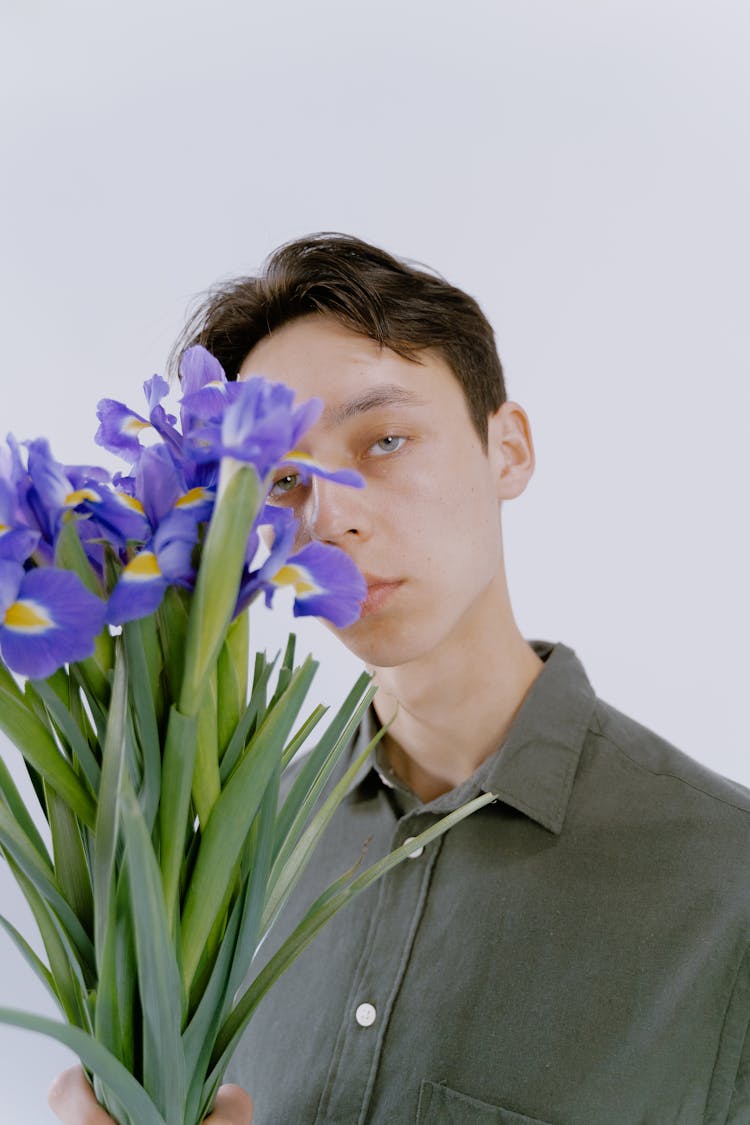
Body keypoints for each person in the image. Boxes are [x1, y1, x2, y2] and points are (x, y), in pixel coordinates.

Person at [52, 234, 750, 1124]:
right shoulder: (209, 873)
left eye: (384, 439)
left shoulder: (728, 882)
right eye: (283, 478)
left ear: (509, 450)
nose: (331, 516)